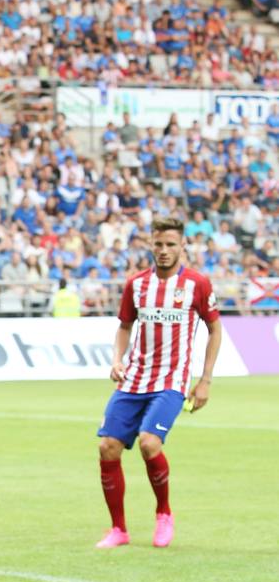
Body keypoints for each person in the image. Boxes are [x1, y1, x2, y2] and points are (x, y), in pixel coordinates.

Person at [95, 217, 221, 549]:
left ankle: (164, 514)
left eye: (170, 245)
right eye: (158, 244)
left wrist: (205, 380)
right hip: (134, 378)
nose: (164, 251)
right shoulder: (136, 285)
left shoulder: (197, 285)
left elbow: (215, 329)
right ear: (151, 245)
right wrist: (116, 360)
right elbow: (124, 326)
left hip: (172, 380)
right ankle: (118, 530)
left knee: (149, 443)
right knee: (107, 446)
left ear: (182, 247)